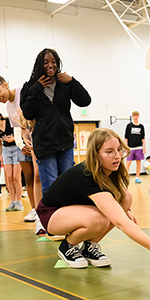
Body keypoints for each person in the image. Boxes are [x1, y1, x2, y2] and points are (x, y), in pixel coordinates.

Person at [36, 128, 150, 270]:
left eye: (119, 150)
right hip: (51, 214)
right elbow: (120, 222)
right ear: (95, 154)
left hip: (75, 210)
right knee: (99, 220)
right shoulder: (87, 175)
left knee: (125, 198)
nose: (117, 156)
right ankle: (68, 246)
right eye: (109, 152)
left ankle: (89, 246)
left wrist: (126, 209)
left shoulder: (110, 170)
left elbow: (117, 201)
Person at [21, 48, 91, 195]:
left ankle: (67, 216)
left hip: (65, 142)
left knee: (67, 183)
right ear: (39, 65)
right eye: (46, 62)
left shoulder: (64, 83)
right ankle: (51, 217)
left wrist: (72, 81)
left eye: (53, 62)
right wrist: (37, 89)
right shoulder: (30, 87)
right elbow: (28, 113)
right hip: (45, 144)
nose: (50, 65)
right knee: (51, 186)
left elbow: (85, 101)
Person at [0, 70, 44, 231]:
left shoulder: (23, 92)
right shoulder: (8, 107)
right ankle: (35, 210)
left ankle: (43, 212)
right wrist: (22, 143)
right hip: (24, 145)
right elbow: (20, 128)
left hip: (39, 142)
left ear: (5, 85)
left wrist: (30, 140)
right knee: (30, 177)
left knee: (40, 176)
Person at [0, 109, 24, 212]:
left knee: (16, 177)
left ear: (0, 115)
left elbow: (20, 134)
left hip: (16, 148)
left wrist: (14, 139)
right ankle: (12, 201)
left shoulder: (9, 122)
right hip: (6, 151)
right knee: (9, 177)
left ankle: (19, 202)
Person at [125, 111, 146, 184]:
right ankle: (125, 177)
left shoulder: (141, 126)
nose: (136, 117)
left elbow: (143, 138)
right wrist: (125, 147)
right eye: (134, 115)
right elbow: (126, 137)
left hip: (139, 147)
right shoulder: (129, 126)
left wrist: (144, 148)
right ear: (132, 116)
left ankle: (137, 177)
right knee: (128, 162)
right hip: (130, 147)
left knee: (138, 162)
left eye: (137, 115)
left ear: (139, 116)